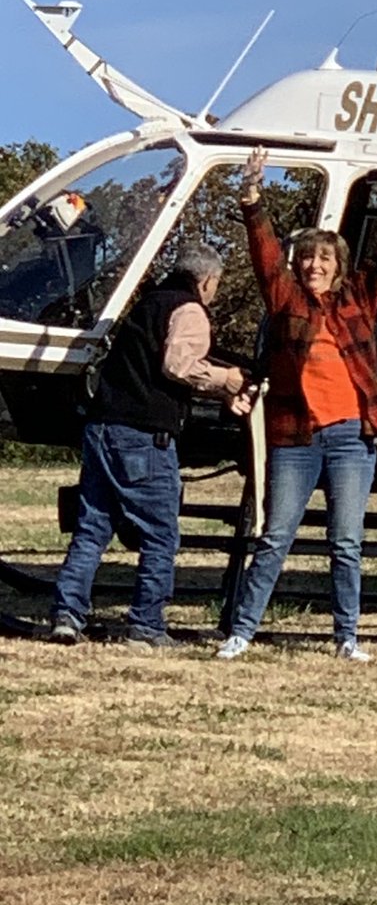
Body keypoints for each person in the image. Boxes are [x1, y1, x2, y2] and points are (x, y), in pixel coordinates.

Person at [217, 147, 377, 663]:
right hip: (295, 437)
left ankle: (347, 638)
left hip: (350, 437)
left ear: (338, 266)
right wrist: (251, 198)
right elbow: (263, 254)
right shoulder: (286, 300)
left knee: (346, 542)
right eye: (307, 258)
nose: (314, 265)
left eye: (324, 259)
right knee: (275, 537)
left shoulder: (358, 299)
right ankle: (241, 633)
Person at [50, 243, 250, 647]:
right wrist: (226, 380)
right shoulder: (189, 309)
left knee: (92, 527)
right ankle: (146, 625)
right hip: (144, 435)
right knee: (160, 535)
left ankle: (67, 615)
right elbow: (178, 366)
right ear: (207, 280)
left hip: (102, 427)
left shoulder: (147, 304)